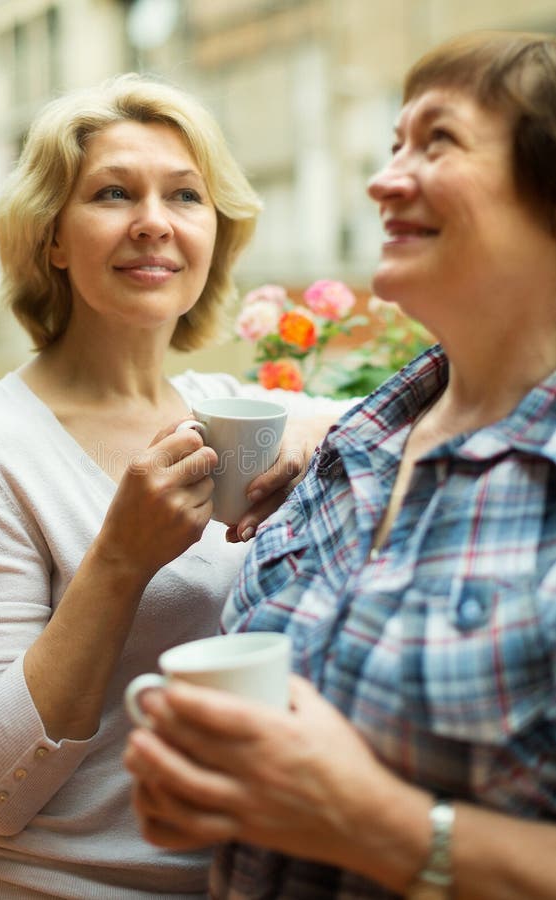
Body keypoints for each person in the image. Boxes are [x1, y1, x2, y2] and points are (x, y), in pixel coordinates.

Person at [124, 30, 556, 900]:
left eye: (437, 141)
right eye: (394, 143)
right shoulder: (351, 447)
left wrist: (379, 830)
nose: (382, 178)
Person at [0, 74, 353, 899]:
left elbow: (432, 400)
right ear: (51, 237)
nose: (153, 221)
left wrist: (312, 429)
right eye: (114, 193)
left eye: (184, 195)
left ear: (213, 234)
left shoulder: (237, 416)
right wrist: (120, 559)